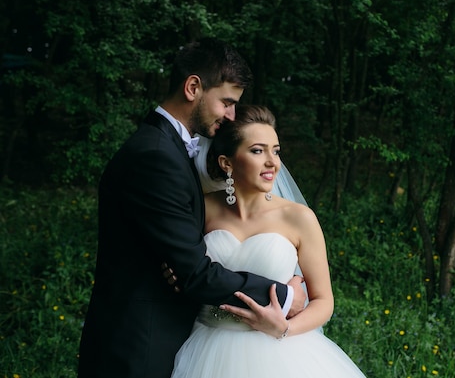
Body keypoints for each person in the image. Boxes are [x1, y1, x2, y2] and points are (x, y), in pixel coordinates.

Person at [77, 38, 306, 378]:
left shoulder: (167, 147)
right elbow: (195, 273)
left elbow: (184, 254)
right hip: (138, 347)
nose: (231, 116)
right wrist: (283, 292)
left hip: (167, 338)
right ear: (193, 87)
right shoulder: (156, 156)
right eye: (227, 102)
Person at [170, 104, 367, 378]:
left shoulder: (299, 218)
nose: (272, 162)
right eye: (257, 150)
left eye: (275, 151)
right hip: (205, 347)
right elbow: (186, 268)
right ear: (226, 162)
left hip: (279, 353)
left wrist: (284, 329)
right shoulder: (202, 211)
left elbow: (324, 301)